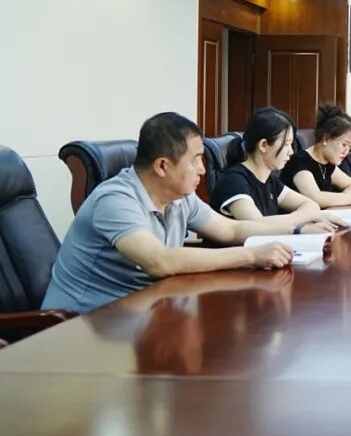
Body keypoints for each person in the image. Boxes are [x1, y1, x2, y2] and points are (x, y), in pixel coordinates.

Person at [41, 112, 295, 314]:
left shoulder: (180, 198)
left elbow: (231, 229)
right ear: (162, 166)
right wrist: (251, 255)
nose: (202, 169)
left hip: (141, 312)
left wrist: (298, 231)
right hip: (81, 325)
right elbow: (158, 261)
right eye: (196, 160)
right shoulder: (115, 200)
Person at [210, 107, 342, 233]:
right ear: (263, 145)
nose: (291, 152)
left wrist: (309, 214)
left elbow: (311, 204)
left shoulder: (270, 180)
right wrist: (303, 216)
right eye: (286, 144)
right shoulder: (234, 182)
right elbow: (256, 225)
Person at [280, 105, 351, 207]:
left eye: (350, 147)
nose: (346, 151)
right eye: (344, 145)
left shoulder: (327, 163)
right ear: (325, 138)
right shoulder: (300, 162)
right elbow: (316, 198)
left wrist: (345, 198)